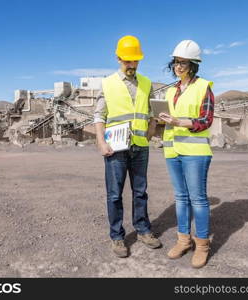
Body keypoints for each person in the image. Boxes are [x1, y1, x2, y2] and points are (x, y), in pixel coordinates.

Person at [94, 35, 161, 258]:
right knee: (115, 195)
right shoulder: (108, 83)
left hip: (140, 146)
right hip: (115, 149)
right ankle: (117, 236)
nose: (131, 65)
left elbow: (152, 112)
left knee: (140, 192)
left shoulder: (146, 82)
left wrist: (152, 129)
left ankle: (143, 230)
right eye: (127, 61)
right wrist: (101, 142)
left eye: (135, 61)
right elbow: (99, 115)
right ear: (118, 58)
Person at [158, 40, 214, 268]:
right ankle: (184, 240)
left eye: (183, 63)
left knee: (198, 199)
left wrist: (178, 121)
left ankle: (202, 246)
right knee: (180, 198)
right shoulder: (171, 90)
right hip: (172, 150)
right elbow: (168, 122)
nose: (178, 67)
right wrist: (160, 120)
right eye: (176, 62)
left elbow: (205, 120)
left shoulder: (204, 88)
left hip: (195, 152)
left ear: (193, 64)